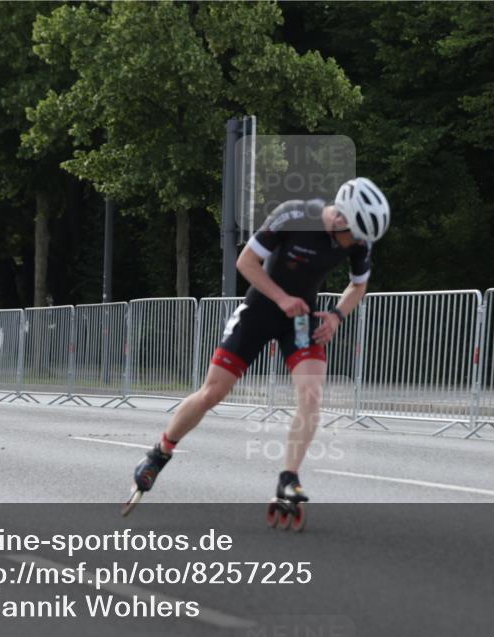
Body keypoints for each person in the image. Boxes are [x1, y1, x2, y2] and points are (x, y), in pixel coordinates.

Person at [126, 177, 390, 510]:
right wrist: (280, 298)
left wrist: (337, 315)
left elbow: (358, 286)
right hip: (261, 308)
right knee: (213, 393)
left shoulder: (359, 241)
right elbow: (246, 263)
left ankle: (288, 478)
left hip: (300, 317)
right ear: (340, 218)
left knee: (311, 395)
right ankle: (159, 453)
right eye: (354, 234)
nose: (357, 243)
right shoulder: (292, 215)